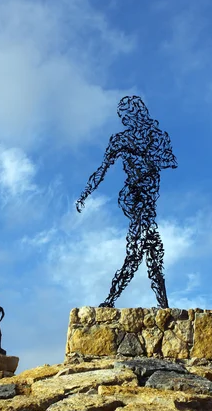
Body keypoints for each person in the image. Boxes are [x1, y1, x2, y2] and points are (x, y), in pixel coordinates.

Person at [76, 95, 177, 308]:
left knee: (149, 250)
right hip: (133, 197)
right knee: (142, 249)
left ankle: (156, 304)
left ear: (136, 114)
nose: (123, 121)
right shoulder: (120, 140)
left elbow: (167, 161)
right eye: (121, 117)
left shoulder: (157, 137)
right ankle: (115, 300)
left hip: (147, 198)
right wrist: (85, 193)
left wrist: (135, 155)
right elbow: (101, 170)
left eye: (125, 116)